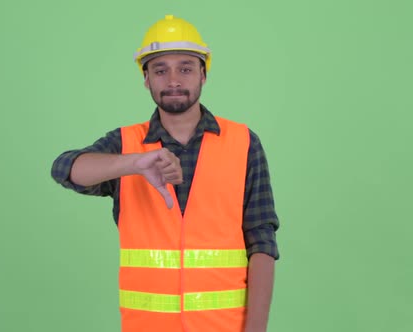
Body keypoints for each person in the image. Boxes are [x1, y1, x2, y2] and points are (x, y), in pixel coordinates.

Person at [51, 14, 280, 332]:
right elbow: (65, 168)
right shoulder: (126, 143)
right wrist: (132, 163)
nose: (173, 80)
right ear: (146, 78)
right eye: (160, 70)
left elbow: (262, 244)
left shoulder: (243, 143)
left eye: (185, 68)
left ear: (203, 74)